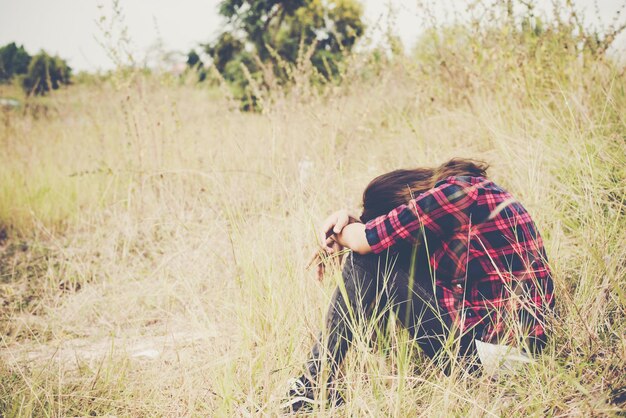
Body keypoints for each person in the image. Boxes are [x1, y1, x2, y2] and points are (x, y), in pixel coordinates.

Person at [282, 158, 555, 412]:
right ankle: (318, 382)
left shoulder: (452, 194)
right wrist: (351, 223)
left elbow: (367, 241)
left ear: (404, 201)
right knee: (381, 254)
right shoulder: (470, 188)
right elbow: (380, 236)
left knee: (369, 257)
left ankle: (311, 386)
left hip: (498, 356)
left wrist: (341, 231)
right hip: (517, 351)